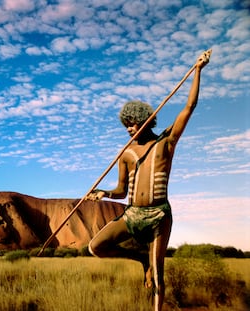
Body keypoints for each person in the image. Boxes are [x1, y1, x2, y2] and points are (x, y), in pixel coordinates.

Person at [86, 50, 210, 311]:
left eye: (132, 123)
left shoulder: (166, 141)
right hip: (132, 214)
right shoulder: (126, 154)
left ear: (145, 120)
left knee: (157, 276)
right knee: (95, 246)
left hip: (158, 216)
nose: (130, 129)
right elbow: (121, 191)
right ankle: (141, 257)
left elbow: (189, 107)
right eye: (126, 126)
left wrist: (197, 70)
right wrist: (103, 193)